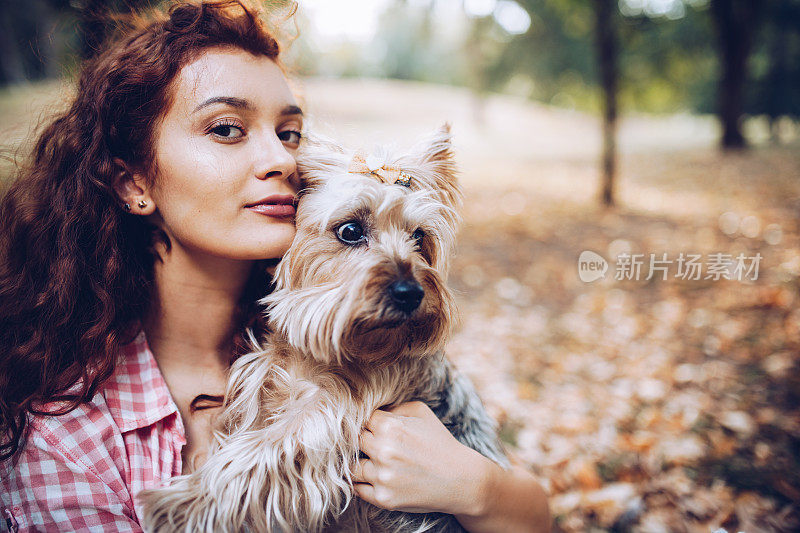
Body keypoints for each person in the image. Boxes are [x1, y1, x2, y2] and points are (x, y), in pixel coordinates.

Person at [0, 1, 550, 532]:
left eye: (290, 133)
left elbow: (533, 518)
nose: (283, 160)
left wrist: (476, 488)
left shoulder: (346, 335)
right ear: (134, 183)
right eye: (225, 128)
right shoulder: (67, 430)